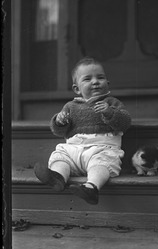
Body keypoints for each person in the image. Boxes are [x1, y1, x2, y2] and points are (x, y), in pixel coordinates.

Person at [34, 57, 131, 205]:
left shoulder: (112, 102)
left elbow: (125, 123)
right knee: (60, 155)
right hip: (74, 149)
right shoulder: (70, 106)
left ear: (107, 83)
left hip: (101, 149)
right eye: (88, 79)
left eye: (100, 77)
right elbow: (59, 132)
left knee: (102, 164)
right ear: (77, 88)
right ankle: (58, 177)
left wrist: (110, 113)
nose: (95, 81)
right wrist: (59, 122)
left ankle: (91, 187)